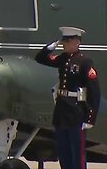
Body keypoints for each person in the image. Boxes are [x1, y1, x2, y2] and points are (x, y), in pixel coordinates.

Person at [35, 26, 101, 169]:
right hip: (62, 112)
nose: (64, 44)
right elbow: (40, 59)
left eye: (67, 41)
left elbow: (94, 91)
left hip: (77, 113)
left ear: (77, 42)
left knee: (77, 155)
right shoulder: (63, 59)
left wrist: (90, 118)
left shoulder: (85, 61)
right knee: (63, 153)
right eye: (63, 41)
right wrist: (50, 47)